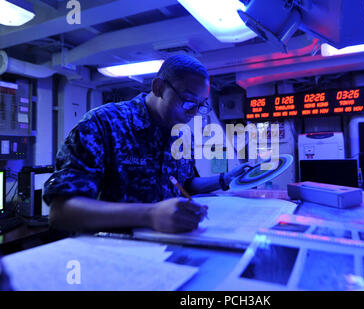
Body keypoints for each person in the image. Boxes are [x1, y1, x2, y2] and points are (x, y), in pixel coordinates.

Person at [43, 54, 249, 233]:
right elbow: (61, 212)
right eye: (187, 102)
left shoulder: (182, 134)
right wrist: (150, 215)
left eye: (199, 106)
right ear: (159, 88)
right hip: (112, 250)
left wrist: (225, 179)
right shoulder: (103, 124)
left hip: (167, 247)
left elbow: (184, 184)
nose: (192, 113)